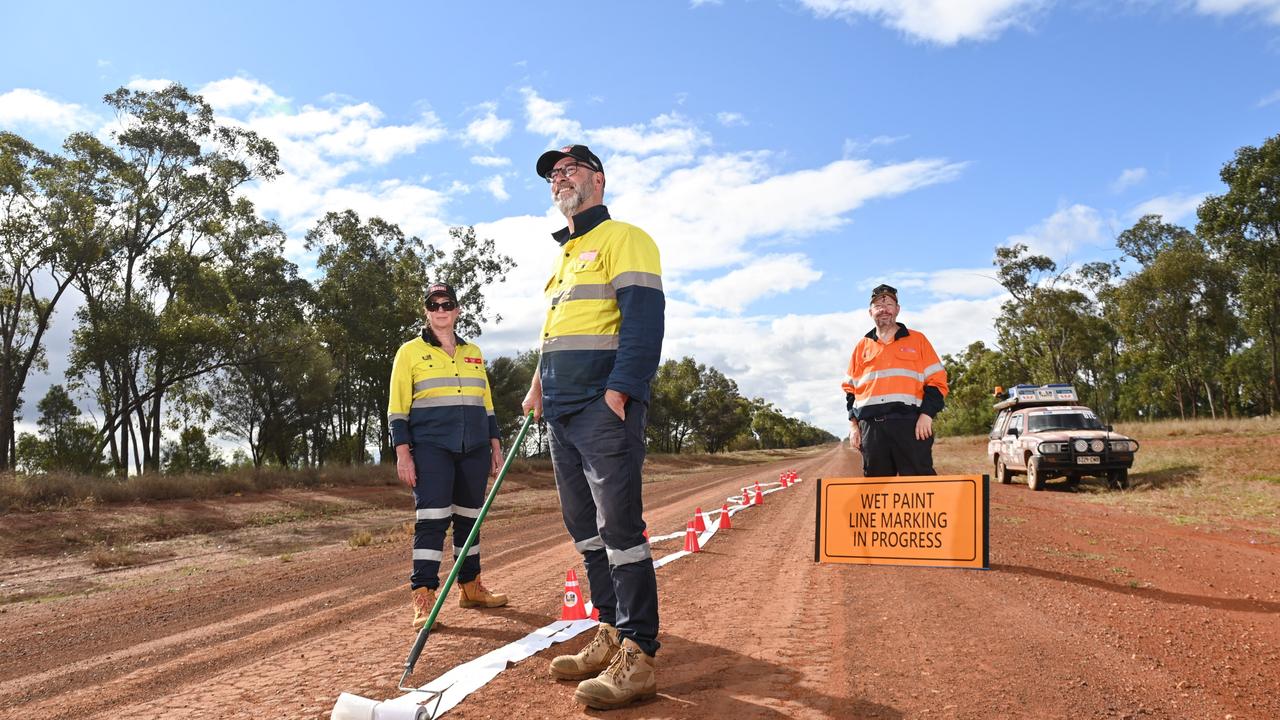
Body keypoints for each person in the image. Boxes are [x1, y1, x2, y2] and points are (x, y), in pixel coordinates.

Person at [521, 144, 664, 710]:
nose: (558, 180)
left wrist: (617, 393)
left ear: (597, 180)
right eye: (552, 175)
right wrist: (537, 385)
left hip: (603, 409)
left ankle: (639, 651)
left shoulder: (625, 238)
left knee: (620, 528)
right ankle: (608, 630)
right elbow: (556, 333)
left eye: (568, 170)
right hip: (559, 411)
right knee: (584, 529)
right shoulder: (565, 255)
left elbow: (644, 323)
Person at [388, 282, 508, 632]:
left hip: (473, 449)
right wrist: (403, 454)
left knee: (470, 520)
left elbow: (486, 403)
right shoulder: (408, 353)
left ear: (457, 311)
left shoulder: (473, 352)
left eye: (447, 304)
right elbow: (397, 409)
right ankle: (423, 596)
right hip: (430, 449)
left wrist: (494, 443)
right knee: (432, 520)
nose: (440, 310)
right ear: (426, 311)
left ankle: (471, 588)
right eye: (433, 304)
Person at [841, 284, 949, 477]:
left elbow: (937, 382)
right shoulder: (862, 347)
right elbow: (850, 390)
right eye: (878, 305)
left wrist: (927, 415)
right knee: (877, 492)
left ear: (897, 309)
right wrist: (854, 426)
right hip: (872, 430)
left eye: (889, 304)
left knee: (919, 489)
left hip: (911, 426)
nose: (884, 309)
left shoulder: (918, 340)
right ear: (870, 312)